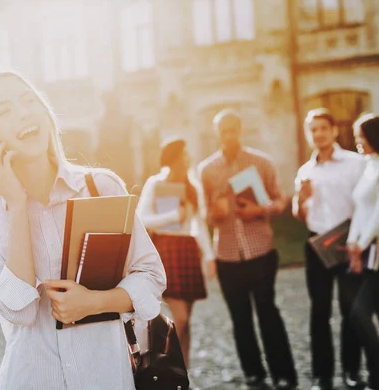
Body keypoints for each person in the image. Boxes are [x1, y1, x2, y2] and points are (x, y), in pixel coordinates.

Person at [0, 68, 166, 390]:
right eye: (4, 111)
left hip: (107, 376)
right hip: (33, 378)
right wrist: (17, 205)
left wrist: (96, 303)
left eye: (28, 100)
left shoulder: (102, 186)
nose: (23, 113)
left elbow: (151, 276)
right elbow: (20, 309)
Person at [197, 109, 297, 390]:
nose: (228, 135)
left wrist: (259, 209)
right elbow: (204, 215)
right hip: (227, 254)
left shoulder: (261, 162)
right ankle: (253, 373)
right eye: (223, 131)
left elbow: (280, 200)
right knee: (240, 318)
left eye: (232, 130)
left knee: (268, 313)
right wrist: (214, 212)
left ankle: (284, 374)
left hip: (260, 250)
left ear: (240, 130)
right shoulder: (206, 169)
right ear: (217, 133)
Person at [292, 108, 366, 390]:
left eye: (323, 127)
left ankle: (352, 370)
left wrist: (359, 242)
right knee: (319, 311)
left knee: (351, 309)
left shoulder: (354, 163)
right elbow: (299, 213)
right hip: (316, 244)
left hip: (348, 243)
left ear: (334, 130)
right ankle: (322, 376)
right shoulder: (305, 171)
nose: (318, 134)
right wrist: (301, 197)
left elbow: (365, 204)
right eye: (313, 129)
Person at [136, 138, 214, 368]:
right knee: (180, 318)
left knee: (186, 322)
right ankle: (170, 372)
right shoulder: (155, 183)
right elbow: (142, 218)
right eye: (183, 155)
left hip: (188, 249)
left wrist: (209, 256)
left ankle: (184, 374)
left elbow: (199, 224)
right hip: (165, 249)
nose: (187, 159)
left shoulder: (193, 186)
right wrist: (173, 216)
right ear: (173, 159)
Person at [348, 113, 379, 390]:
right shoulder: (369, 165)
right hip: (370, 254)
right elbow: (361, 208)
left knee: (360, 311)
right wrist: (351, 240)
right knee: (364, 312)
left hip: (375, 250)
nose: (358, 142)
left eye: (361, 136)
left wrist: (362, 242)